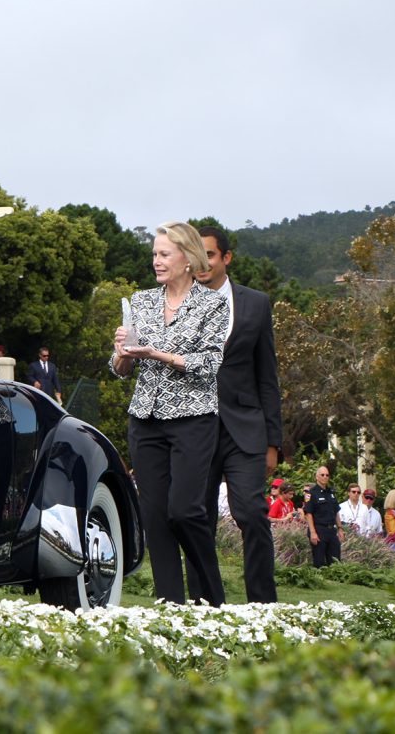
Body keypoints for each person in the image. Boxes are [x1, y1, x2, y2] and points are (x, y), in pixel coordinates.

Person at [110, 221, 229, 605]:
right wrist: (122, 352)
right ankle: (170, 605)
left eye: (164, 254)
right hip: (145, 419)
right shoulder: (140, 301)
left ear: (187, 258)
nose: (156, 262)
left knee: (185, 511)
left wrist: (155, 353)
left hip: (194, 418)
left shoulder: (213, 304)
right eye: (154, 255)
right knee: (156, 518)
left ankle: (211, 597)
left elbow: (209, 364)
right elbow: (121, 370)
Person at [196, 226, 283, 603]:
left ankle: (262, 604)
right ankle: (205, 604)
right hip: (194, 429)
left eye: (210, 256)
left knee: (251, 513)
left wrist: (272, 441)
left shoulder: (256, 303)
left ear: (226, 258)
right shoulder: (178, 303)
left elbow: (268, 376)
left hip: (245, 430)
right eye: (197, 257)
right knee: (197, 521)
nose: (203, 264)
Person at [305, 466, 342, 567]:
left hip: (331, 531)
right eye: (322, 475)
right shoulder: (311, 493)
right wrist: (313, 533)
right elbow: (308, 514)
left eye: (327, 475)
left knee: (336, 562)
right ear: (317, 477)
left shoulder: (331, 493)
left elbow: (336, 512)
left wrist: (340, 528)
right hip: (319, 530)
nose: (325, 477)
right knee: (319, 563)